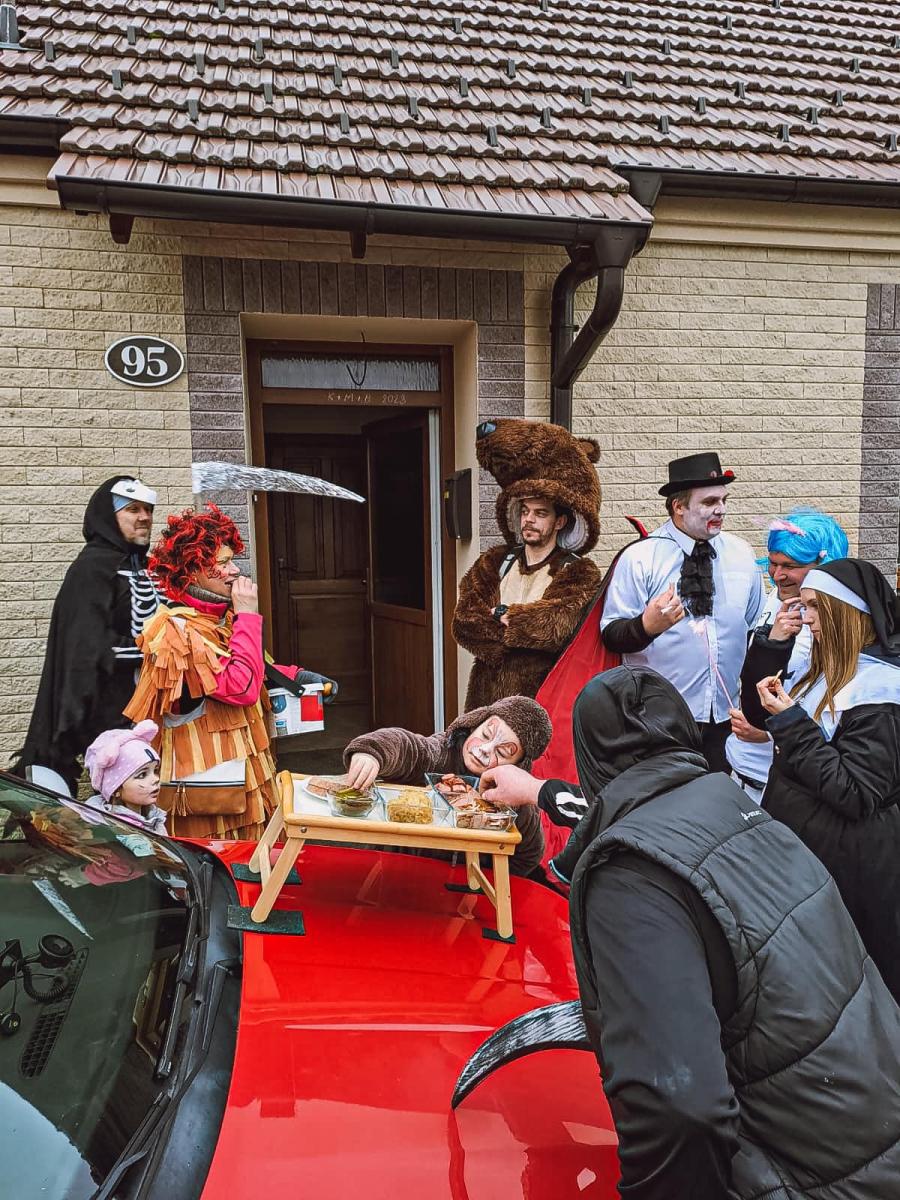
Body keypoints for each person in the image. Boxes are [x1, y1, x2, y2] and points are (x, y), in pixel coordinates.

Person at [453, 666, 900, 1198]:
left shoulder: (630, 870)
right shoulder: (733, 805)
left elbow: (680, 1108)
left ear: (589, 757)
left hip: (814, 1175)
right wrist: (537, 791)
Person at [124, 504, 335, 840]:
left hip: (245, 785)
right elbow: (240, 687)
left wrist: (296, 677)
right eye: (223, 563)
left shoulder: (216, 619)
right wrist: (248, 615)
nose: (235, 570)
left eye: (231, 561)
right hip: (209, 800)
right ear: (193, 572)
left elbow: (248, 662)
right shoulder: (177, 630)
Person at [756, 557, 900, 1002]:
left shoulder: (879, 691)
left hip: (853, 873)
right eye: (805, 605)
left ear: (847, 612)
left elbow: (857, 793)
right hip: (820, 864)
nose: (807, 617)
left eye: (816, 606)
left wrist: (792, 725)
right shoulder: (832, 669)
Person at [600, 452, 765, 772]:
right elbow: (610, 634)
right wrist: (646, 626)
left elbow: (753, 630)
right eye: (709, 502)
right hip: (657, 722)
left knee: (719, 800)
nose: (721, 509)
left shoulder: (742, 553)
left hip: (725, 720)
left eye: (724, 500)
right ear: (679, 506)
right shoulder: (641, 557)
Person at [14, 475, 160, 792]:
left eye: (148, 509)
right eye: (132, 509)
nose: (144, 517)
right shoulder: (91, 569)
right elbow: (86, 644)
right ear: (108, 516)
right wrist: (153, 650)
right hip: (109, 708)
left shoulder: (148, 568)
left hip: (155, 704)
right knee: (122, 793)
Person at [452, 418, 602, 708]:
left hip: (539, 699)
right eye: (524, 511)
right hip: (484, 696)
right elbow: (464, 621)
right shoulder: (496, 560)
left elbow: (558, 626)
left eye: (540, 513)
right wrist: (519, 635)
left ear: (560, 521)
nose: (529, 520)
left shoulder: (578, 571)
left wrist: (505, 616)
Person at [344, 695, 552, 876]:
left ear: (517, 767)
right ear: (475, 723)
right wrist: (372, 753)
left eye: (502, 752)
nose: (485, 749)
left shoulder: (515, 801)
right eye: (485, 735)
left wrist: (488, 880)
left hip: (462, 892)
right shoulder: (439, 754)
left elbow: (529, 854)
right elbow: (407, 746)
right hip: (396, 874)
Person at [727, 508, 849, 801]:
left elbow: (838, 709)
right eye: (772, 563)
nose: (778, 575)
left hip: (783, 784)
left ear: (823, 564)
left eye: (790, 566)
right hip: (741, 768)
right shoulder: (778, 596)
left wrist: (770, 732)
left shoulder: (838, 623)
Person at [83, 720, 168, 835]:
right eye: (142, 775)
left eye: (155, 770)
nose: (156, 779)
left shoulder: (154, 819)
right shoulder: (110, 830)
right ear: (115, 789)